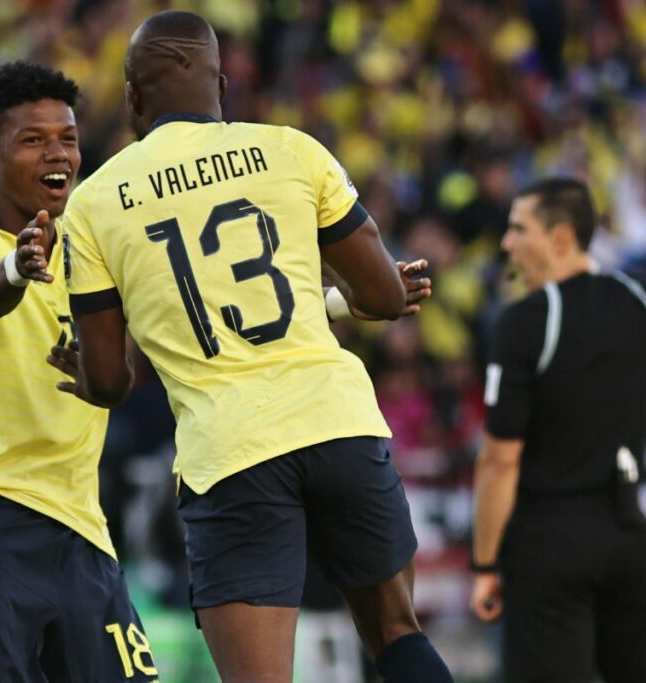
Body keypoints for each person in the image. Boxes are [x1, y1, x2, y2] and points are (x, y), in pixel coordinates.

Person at [58, 10, 453, 683]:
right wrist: (346, 298)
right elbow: (387, 297)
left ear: (131, 97)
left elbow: (107, 378)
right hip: (339, 423)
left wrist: (92, 375)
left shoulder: (95, 203)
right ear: (222, 87)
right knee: (395, 633)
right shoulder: (291, 149)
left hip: (231, 450)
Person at [0, 62, 159, 683]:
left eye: (68, 138)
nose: (58, 154)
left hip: (83, 528)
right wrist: (18, 269)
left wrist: (340, 303)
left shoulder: (97, 249)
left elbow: (185, 320)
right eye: (33, 140)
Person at [469, 177, 646, 682]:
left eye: (518, 229)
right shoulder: (637, 301)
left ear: (561, 239)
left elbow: (500, 459)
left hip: (549, 543)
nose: (507, 244)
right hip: (629, 531)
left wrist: (484, 565)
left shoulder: (524, 321)